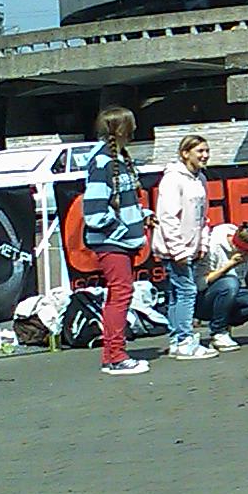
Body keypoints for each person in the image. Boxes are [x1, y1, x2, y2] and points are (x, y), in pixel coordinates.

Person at [82, 106, 153, 375]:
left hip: (121, 239)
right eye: (131, 124)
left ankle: (114, 355)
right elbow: (94, 212)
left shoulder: (119, 158)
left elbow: (124, 201)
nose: (135, 129)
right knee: (120, 294)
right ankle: (115, 356)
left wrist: (142, 216)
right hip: (112, 241)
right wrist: (121, 229)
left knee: (120, 294)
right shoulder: (102, 161)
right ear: (122, 129)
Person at [152, 135, 218, 360]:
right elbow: (167, 217)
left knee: (176, 293)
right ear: (185, 153)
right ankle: (184, 340)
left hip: (192, 247)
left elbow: (203, 216)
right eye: (200, 151)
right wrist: (178, 250)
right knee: (187, 291)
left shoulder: (200, 179)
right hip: (174, 249)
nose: (205, 155)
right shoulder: (172, 179)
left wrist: (202, 242)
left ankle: (176, 339)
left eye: (206, 151)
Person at [197, 221, 248, 348]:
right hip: (204, 298)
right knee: (231, 282)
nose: (246, 254)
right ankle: (218, 332)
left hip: (231, 296)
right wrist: (229, 266)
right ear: (234, 242)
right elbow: (201, 284)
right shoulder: (213, 245)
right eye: (242, 250)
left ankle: (224, 323)